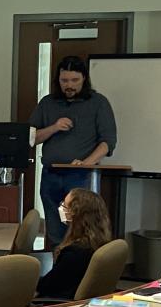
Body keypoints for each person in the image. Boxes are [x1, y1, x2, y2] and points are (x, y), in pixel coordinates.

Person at [29, 56, 117, 248]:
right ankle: (58, 268)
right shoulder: (48, 103)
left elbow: (108, 142)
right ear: (58, 80)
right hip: (51, 175)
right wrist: (54, 127)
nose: (69, 85)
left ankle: (83, 271)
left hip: (81, 176)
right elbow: (31, 138)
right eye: (64, 81)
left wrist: (87, 162)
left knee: (83, 228)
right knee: (55, 227)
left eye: (74, 80)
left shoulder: (98, 103)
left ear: (84, 78)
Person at [36, 187, 113, 300]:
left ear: (75, 213)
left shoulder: (74, 253)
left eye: (65, 205)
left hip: (60, 303)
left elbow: (48, 285)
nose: (61, 208)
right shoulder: (99, 243)